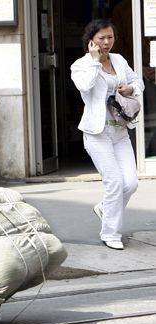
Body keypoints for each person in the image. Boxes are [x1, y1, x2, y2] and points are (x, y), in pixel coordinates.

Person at [71, 19, 144, 250]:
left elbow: (137, 81)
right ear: (91, 40)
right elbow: (85, 86)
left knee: (130, 183)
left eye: (110, 37)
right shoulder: (81, 65)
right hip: (96, 133)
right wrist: (94, 62)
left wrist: (131, 88)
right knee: (114, 182)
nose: (106, 42)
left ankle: (105, 208)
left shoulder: (119, 60)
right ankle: (110, 233)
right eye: (101, 38)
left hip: (120, 131)